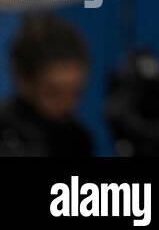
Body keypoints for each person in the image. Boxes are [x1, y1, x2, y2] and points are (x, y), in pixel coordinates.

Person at [0, 14, 94, 156]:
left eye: (75, 93)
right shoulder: (6, 134)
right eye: (53, 92)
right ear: (24, 80)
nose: (66, 104)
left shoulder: (78, 138)